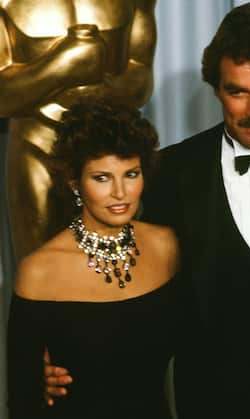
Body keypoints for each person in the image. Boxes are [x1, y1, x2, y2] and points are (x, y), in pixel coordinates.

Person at [44, 2, 250, 418]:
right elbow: (126, 282)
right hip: (209, 402)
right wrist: (57, 348)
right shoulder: (168, 172)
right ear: (216, 88)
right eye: (238, 92)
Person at [7, 101, 181, 419]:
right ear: (75, 182)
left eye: (131, 174)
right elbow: (22, 402)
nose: (120, 192)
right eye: (101, 178)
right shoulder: (40, 270)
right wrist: (36, 381)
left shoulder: (166, 245)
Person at [0, 0, 156, 261]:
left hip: (110, 148)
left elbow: (140, 76)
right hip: (37, 145)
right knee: (40, 269)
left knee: (120, 266)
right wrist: (64, 64)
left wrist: (96, 90)